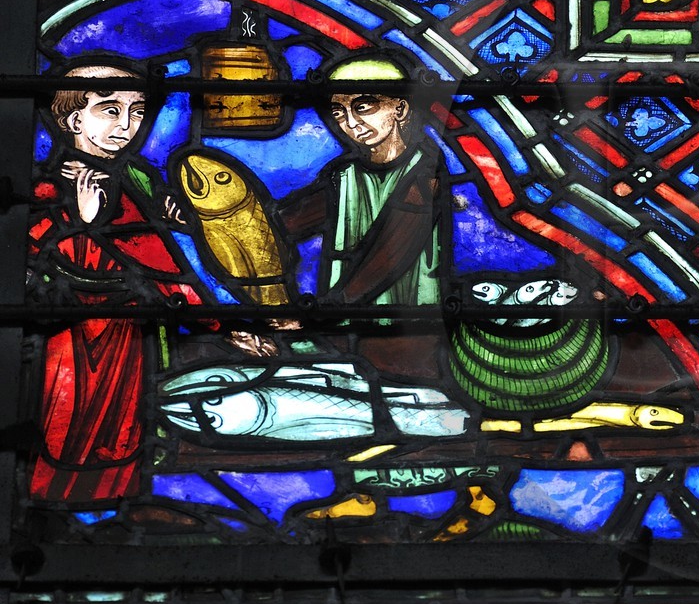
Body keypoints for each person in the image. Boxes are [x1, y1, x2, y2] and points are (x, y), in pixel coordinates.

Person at [29, 62, 272, 506]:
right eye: (109, 110)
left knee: (124, 432)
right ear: (73, 120)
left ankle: (114, 510)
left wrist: (173, 226)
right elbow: (38, 264)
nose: (127, 125)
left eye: (137, 111)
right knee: (70, 431)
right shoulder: (45, 189)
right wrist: (82, 227)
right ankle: (61, 512)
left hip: (132, 330)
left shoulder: (137, 176)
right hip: (73, 340)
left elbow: (160, 258)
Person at [280, 55, 446, 377]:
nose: (351, 124)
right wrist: (203, 217)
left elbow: (389, 255)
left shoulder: (425, 175)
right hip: (343, 334)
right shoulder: (343, 175)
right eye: (339, 112)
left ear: (400, 109)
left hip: (405, 337)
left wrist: (322, 312)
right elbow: (280, 223)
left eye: (364, 107)